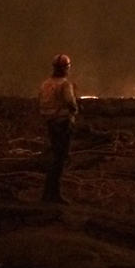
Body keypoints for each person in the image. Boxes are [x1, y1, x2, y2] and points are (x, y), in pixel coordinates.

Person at [38, 53, 79, 203]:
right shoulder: (64, 84)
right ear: (66, 68)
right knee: (60, 159)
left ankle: (48, 193)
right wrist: (74, 112)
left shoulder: (45, 84)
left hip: (50, 123)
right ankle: (54, 194)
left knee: (55, 157)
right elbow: (71, 103)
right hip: (62, 123)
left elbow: (41, 103)